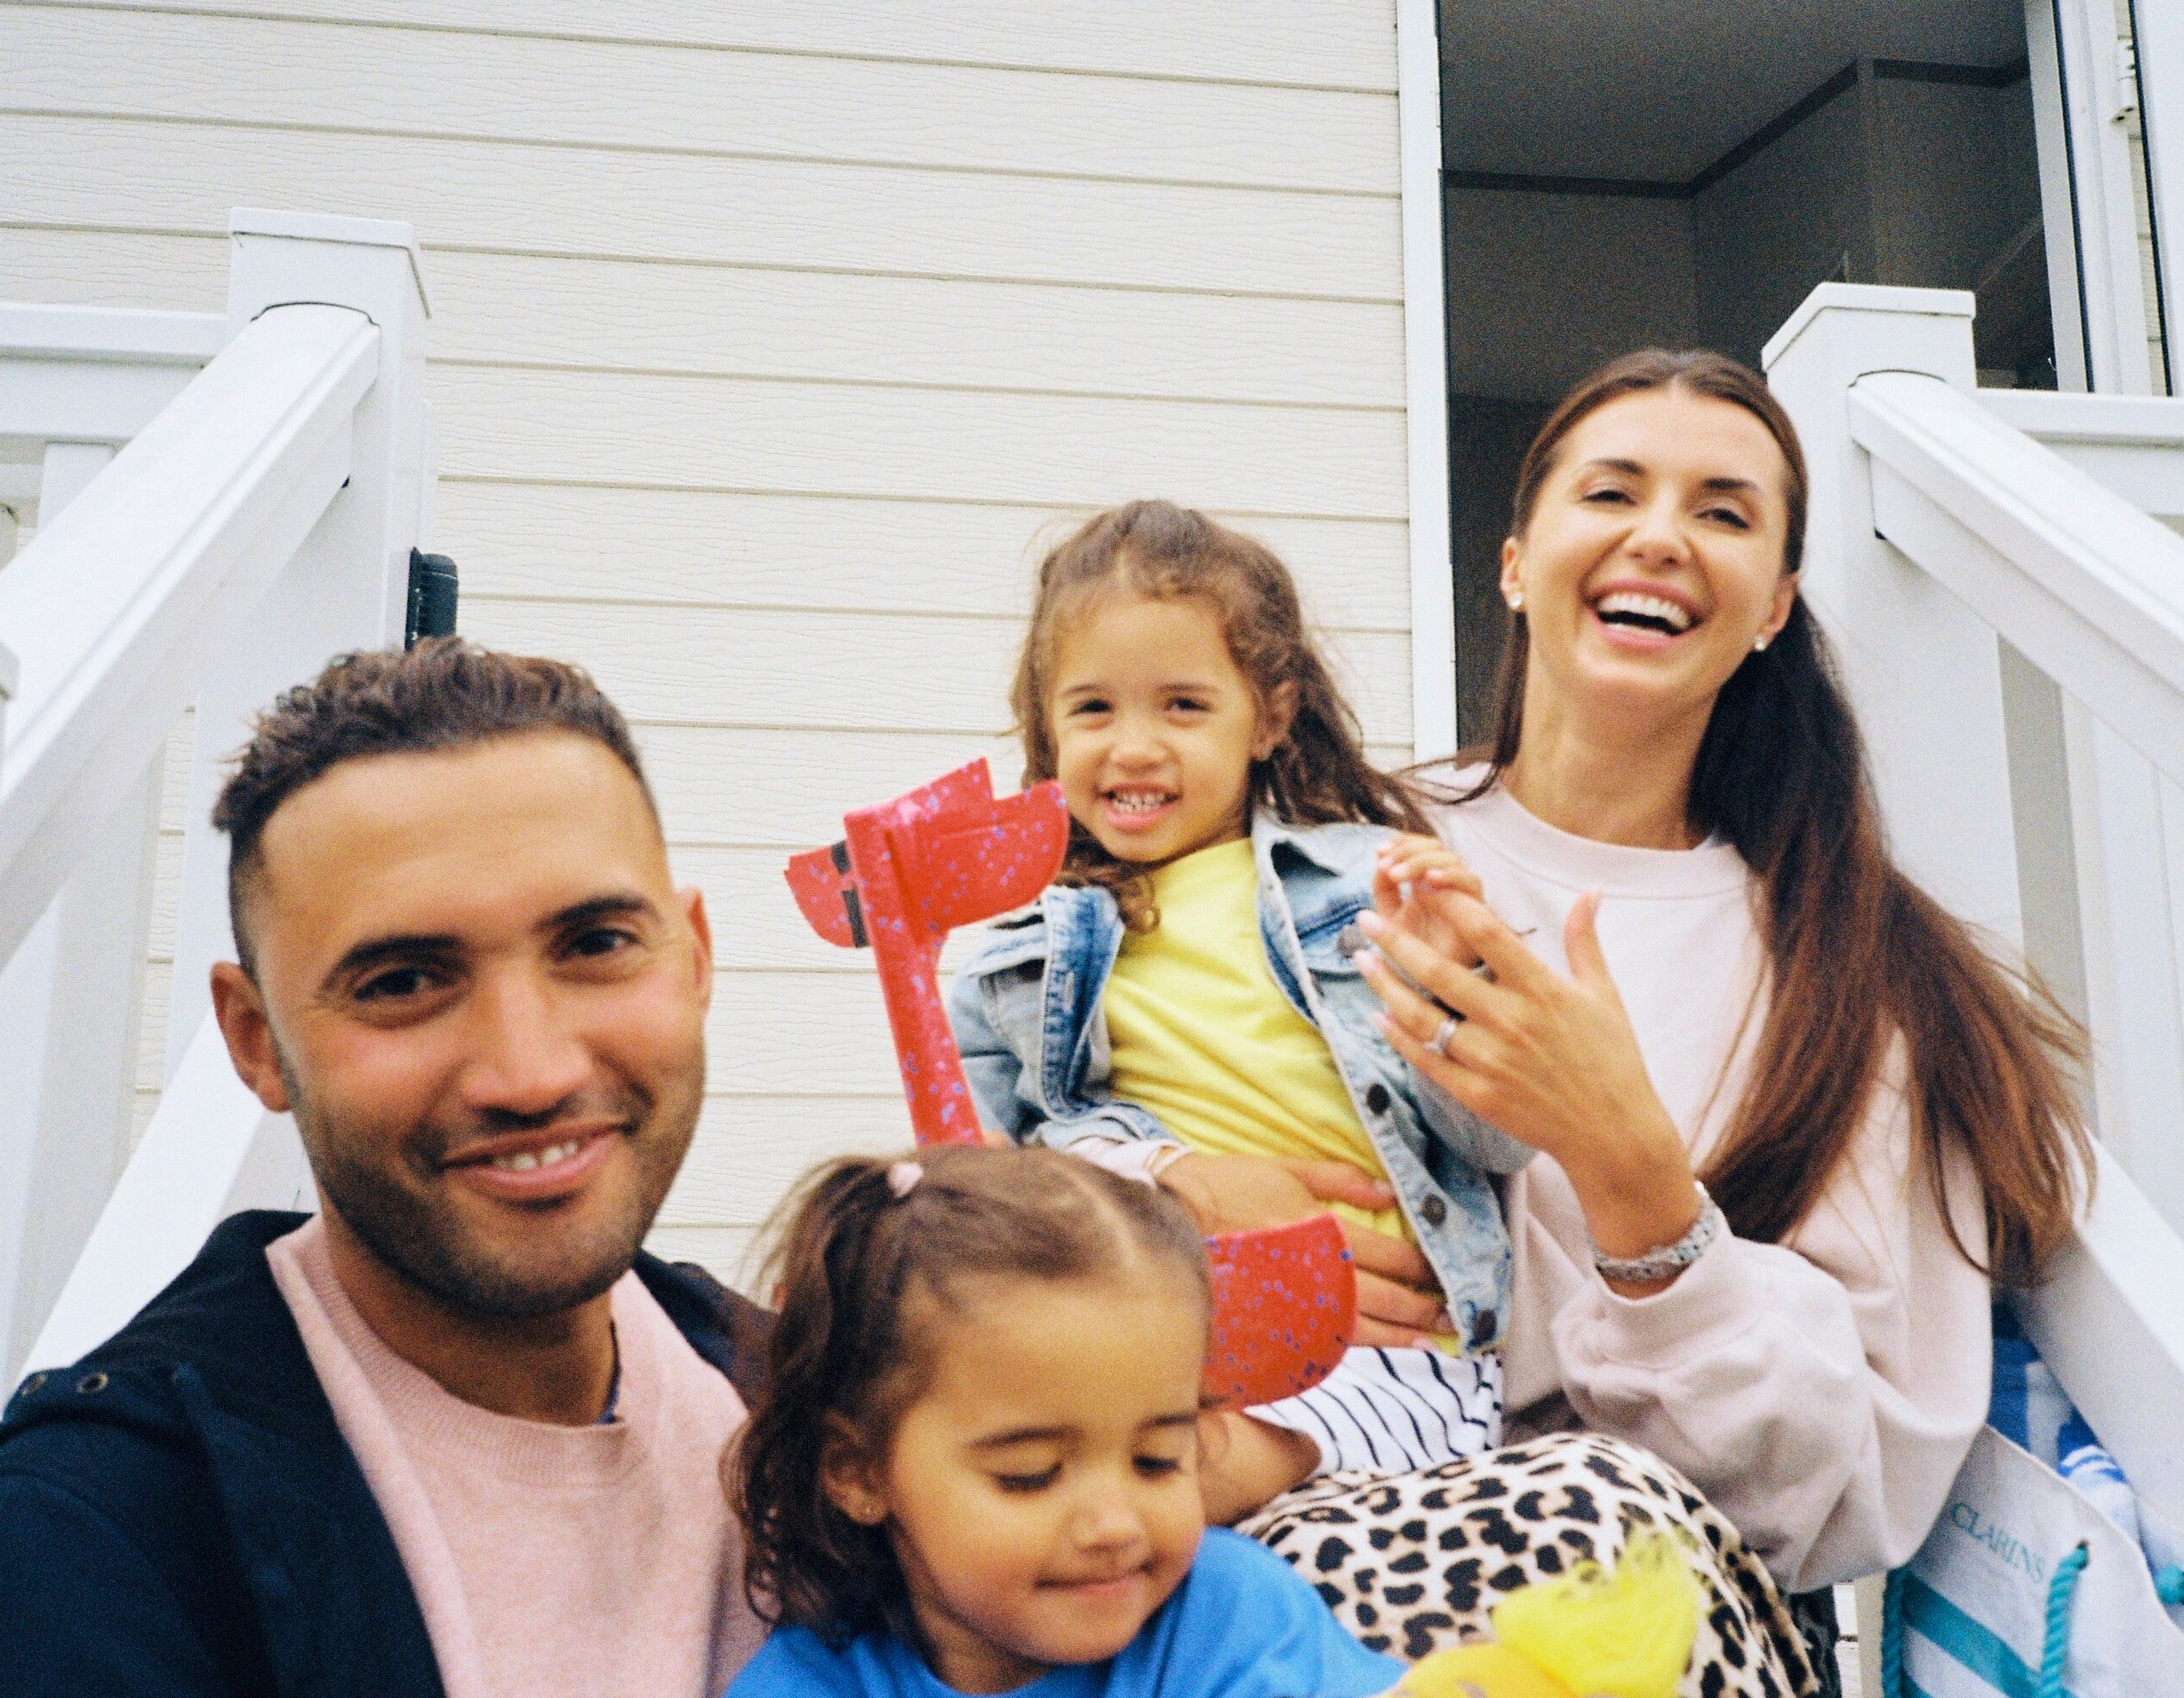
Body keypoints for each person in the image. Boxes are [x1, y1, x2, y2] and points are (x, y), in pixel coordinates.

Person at [1230, 349, 2090, 1685]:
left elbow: (1849, 1489)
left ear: (1774, 607)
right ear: (1517, 562)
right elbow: (1071, 1132)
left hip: (1646, 1592)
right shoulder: (1326, 858)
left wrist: (1626, 1162)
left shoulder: (1850, 973)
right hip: (1282, 1525)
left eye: (1724, 512)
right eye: (1613, 491)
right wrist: (1181, 1193)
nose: (1659, 538)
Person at [0, 642, 771, 1697]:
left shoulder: (815, 1408)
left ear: (695, 957)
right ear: (255, 1039)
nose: (530, 1072)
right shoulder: (90, 1546)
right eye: (403, 980)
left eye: (594, 944)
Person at [947, 500, 1534, 1521]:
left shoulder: (1366, 885)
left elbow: (1503, 1141)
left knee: (1155, 1483)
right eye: (1093, 710)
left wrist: (1455, 995)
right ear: (1046, 724)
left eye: (1183, 706)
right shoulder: (1012, 960)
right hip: (1150, 1355)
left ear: (1268, 715)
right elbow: (978, 1192)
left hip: (1380, 1366)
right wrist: (1162, 1171)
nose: (1133, 747)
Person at [721, 1144, 1406, 1698]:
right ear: (858, 1471)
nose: (1115, 1524)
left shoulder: (1229, 1615)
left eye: (1159, 1458)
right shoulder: (814, 1679)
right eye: (1031, 1475)